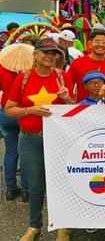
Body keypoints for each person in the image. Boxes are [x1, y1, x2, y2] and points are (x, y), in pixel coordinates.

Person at [5, 38, 74, 241]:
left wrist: (67, 99)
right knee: (35, 184)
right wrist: (30, 110)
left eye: (54, 53)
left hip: (60, 140)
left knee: (61, 183)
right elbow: (9, 109)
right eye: (45, 52)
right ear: (35, 55)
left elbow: (73, 110)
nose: (50, 56)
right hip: (30, 139)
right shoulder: (23, 79)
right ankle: (34, 226)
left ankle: (63, 226)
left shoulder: (63, 77)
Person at [0, 44, 33, 203]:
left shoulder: (2, 68)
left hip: (5, 111)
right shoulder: (32, 71)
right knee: (27, 152)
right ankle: (26, 190)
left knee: (11, 151)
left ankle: (10, 189)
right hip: (24, 112)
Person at [68, 29, 105, 102]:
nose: (101, 45)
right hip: (83, 109)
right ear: (90, 44)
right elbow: (68, 86)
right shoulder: (77, 63)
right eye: (97, 41)